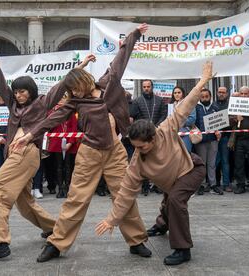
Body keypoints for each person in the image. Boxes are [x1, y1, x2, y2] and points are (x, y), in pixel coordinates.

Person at [35, 24, 151, 263]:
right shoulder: (75, 100)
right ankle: (57, 243)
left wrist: (135, 34)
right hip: (88, 152)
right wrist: (28, 136)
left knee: (123, 195)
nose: (76, 91)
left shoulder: (108, 83)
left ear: (87, 79)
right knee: (76, 198)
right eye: (72, 89)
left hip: (115, 151)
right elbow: (52, 117)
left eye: (78, 86)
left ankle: (137, 240)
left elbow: (122, 57)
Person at [95, 61, 213, 266]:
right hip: (170, 179)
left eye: (142, 147)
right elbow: (125, 193)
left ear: (152, 139)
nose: (138, 151)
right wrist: (111, 219)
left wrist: (203, 80)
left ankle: (182, 249)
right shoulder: (137, 162)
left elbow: (185, 106)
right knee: (170, 199)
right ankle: (162, 225)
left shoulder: (166, 130)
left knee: (176, 200)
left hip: (190, 168)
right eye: (135, 147)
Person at [0, 45, 90, 261]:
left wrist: (82, 65)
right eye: (17, 91)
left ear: (31, 90)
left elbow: (63, 85)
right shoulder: (11, 104)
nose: (19, 95)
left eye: (23, 91)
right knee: (25, 202)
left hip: (27, 153)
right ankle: (55, 228)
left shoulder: (42, 103)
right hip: (14, 155)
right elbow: (0, 83)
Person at [131, 79, 168, 195]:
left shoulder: (160, 100)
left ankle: (158, 185)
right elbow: (136, 117)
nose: (146, 88)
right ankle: (145, 186)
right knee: (144, 160)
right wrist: (145, 127)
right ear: (142, 88)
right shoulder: (137, 101)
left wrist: (156, 126)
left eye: (148, 86)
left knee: (158, 159)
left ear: (152, 87)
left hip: (157, 133)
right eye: (144, 87)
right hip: (143, 135)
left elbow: (164, 114)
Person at [195, 88, 223, 195]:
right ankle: (201, 184)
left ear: (210, 96)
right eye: (202, 97)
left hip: (213, 140)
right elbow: (193, 123)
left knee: (212, 163)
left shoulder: (215, 107)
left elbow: (220, 122)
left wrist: (219, 131)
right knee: (202, 163)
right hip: (201, 140)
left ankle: (213, 184)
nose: (205, 98)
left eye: (207, 96)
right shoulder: (196, 108)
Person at [169, 86, 196, 153]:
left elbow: (192, 119)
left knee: (185, 154)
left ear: (183, 94)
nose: (177, 94)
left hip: (185, 133)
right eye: (175, 93)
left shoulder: (189, 104)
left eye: (179, 92)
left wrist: (178, 122)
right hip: (172, 133)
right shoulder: (170, 106)